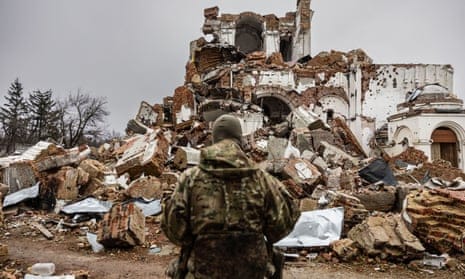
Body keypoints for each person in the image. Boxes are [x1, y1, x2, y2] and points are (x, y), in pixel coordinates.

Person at [162, 114, 299, 279]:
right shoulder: (263, 180)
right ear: (239, 140)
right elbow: (281, 227)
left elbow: (175, 231)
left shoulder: (190, 179)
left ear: (213, 140)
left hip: (203, 272)